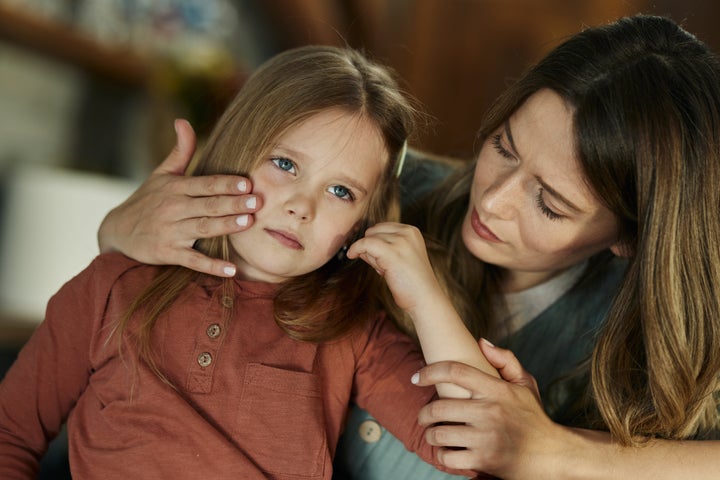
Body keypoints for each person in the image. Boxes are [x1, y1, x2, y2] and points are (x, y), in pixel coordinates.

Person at [98, 13, 720, 479]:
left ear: (631, 239)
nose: (494, 199)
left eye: (549, 203)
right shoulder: (372, 191)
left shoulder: (662, 330)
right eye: (502, 147)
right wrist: (121, 231)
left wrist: (554, 450)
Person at [0, 45, 494, 479]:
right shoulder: (113, 284)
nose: (303, 206)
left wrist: (425, 297)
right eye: (285, 165)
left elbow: (470, 447)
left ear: (362, 225)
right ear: (239, 145)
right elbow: (10, 435)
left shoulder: (350, 329)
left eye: (340, 191)